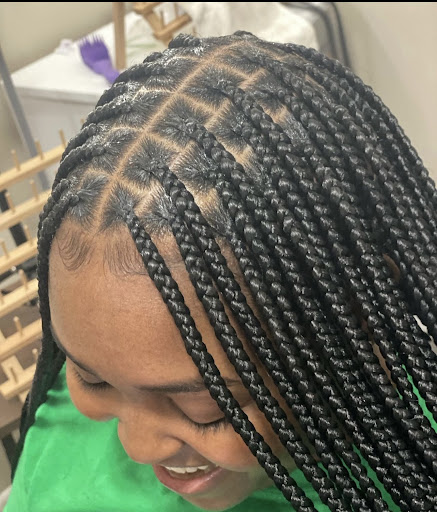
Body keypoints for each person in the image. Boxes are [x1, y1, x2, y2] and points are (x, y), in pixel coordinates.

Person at [4, 31, 437, 512]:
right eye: (91, 378)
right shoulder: (74, 406)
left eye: (207, 408)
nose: (137, 446)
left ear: (355, 320)